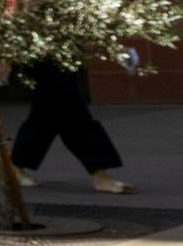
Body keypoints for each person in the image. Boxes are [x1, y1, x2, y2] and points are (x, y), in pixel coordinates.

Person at [10, 59, 134, 194]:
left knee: (47, 114)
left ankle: (15, 165)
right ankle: (100, 174)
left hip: (61, 53)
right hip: (43, 55)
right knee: (72, 112)